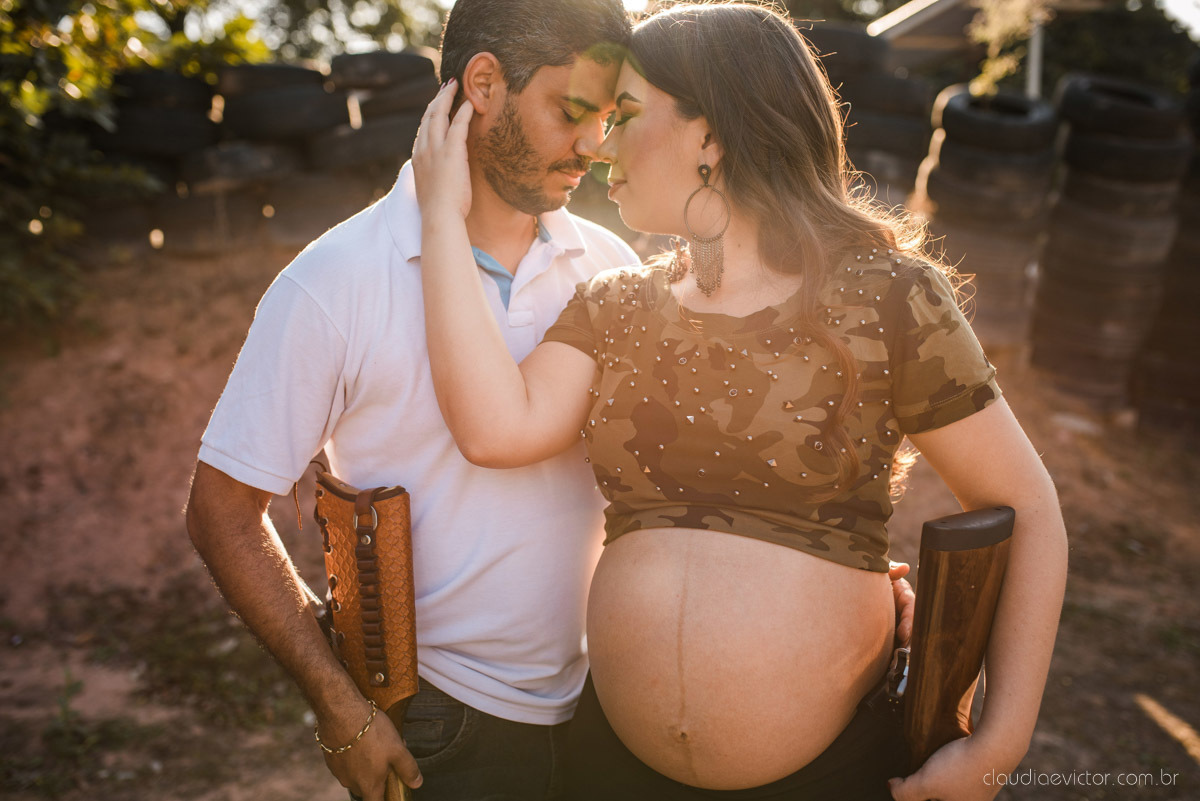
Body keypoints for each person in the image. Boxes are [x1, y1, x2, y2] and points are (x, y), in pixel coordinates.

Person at [411, 3, 1068, 800]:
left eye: (624, 115)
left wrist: (999, 744)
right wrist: (440, 218)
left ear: (710, 135)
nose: (599, 143)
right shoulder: (613, 304)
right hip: (610, 771)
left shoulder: (887, 296)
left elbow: (1025, 506)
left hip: (832, 774)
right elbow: (494, 427)